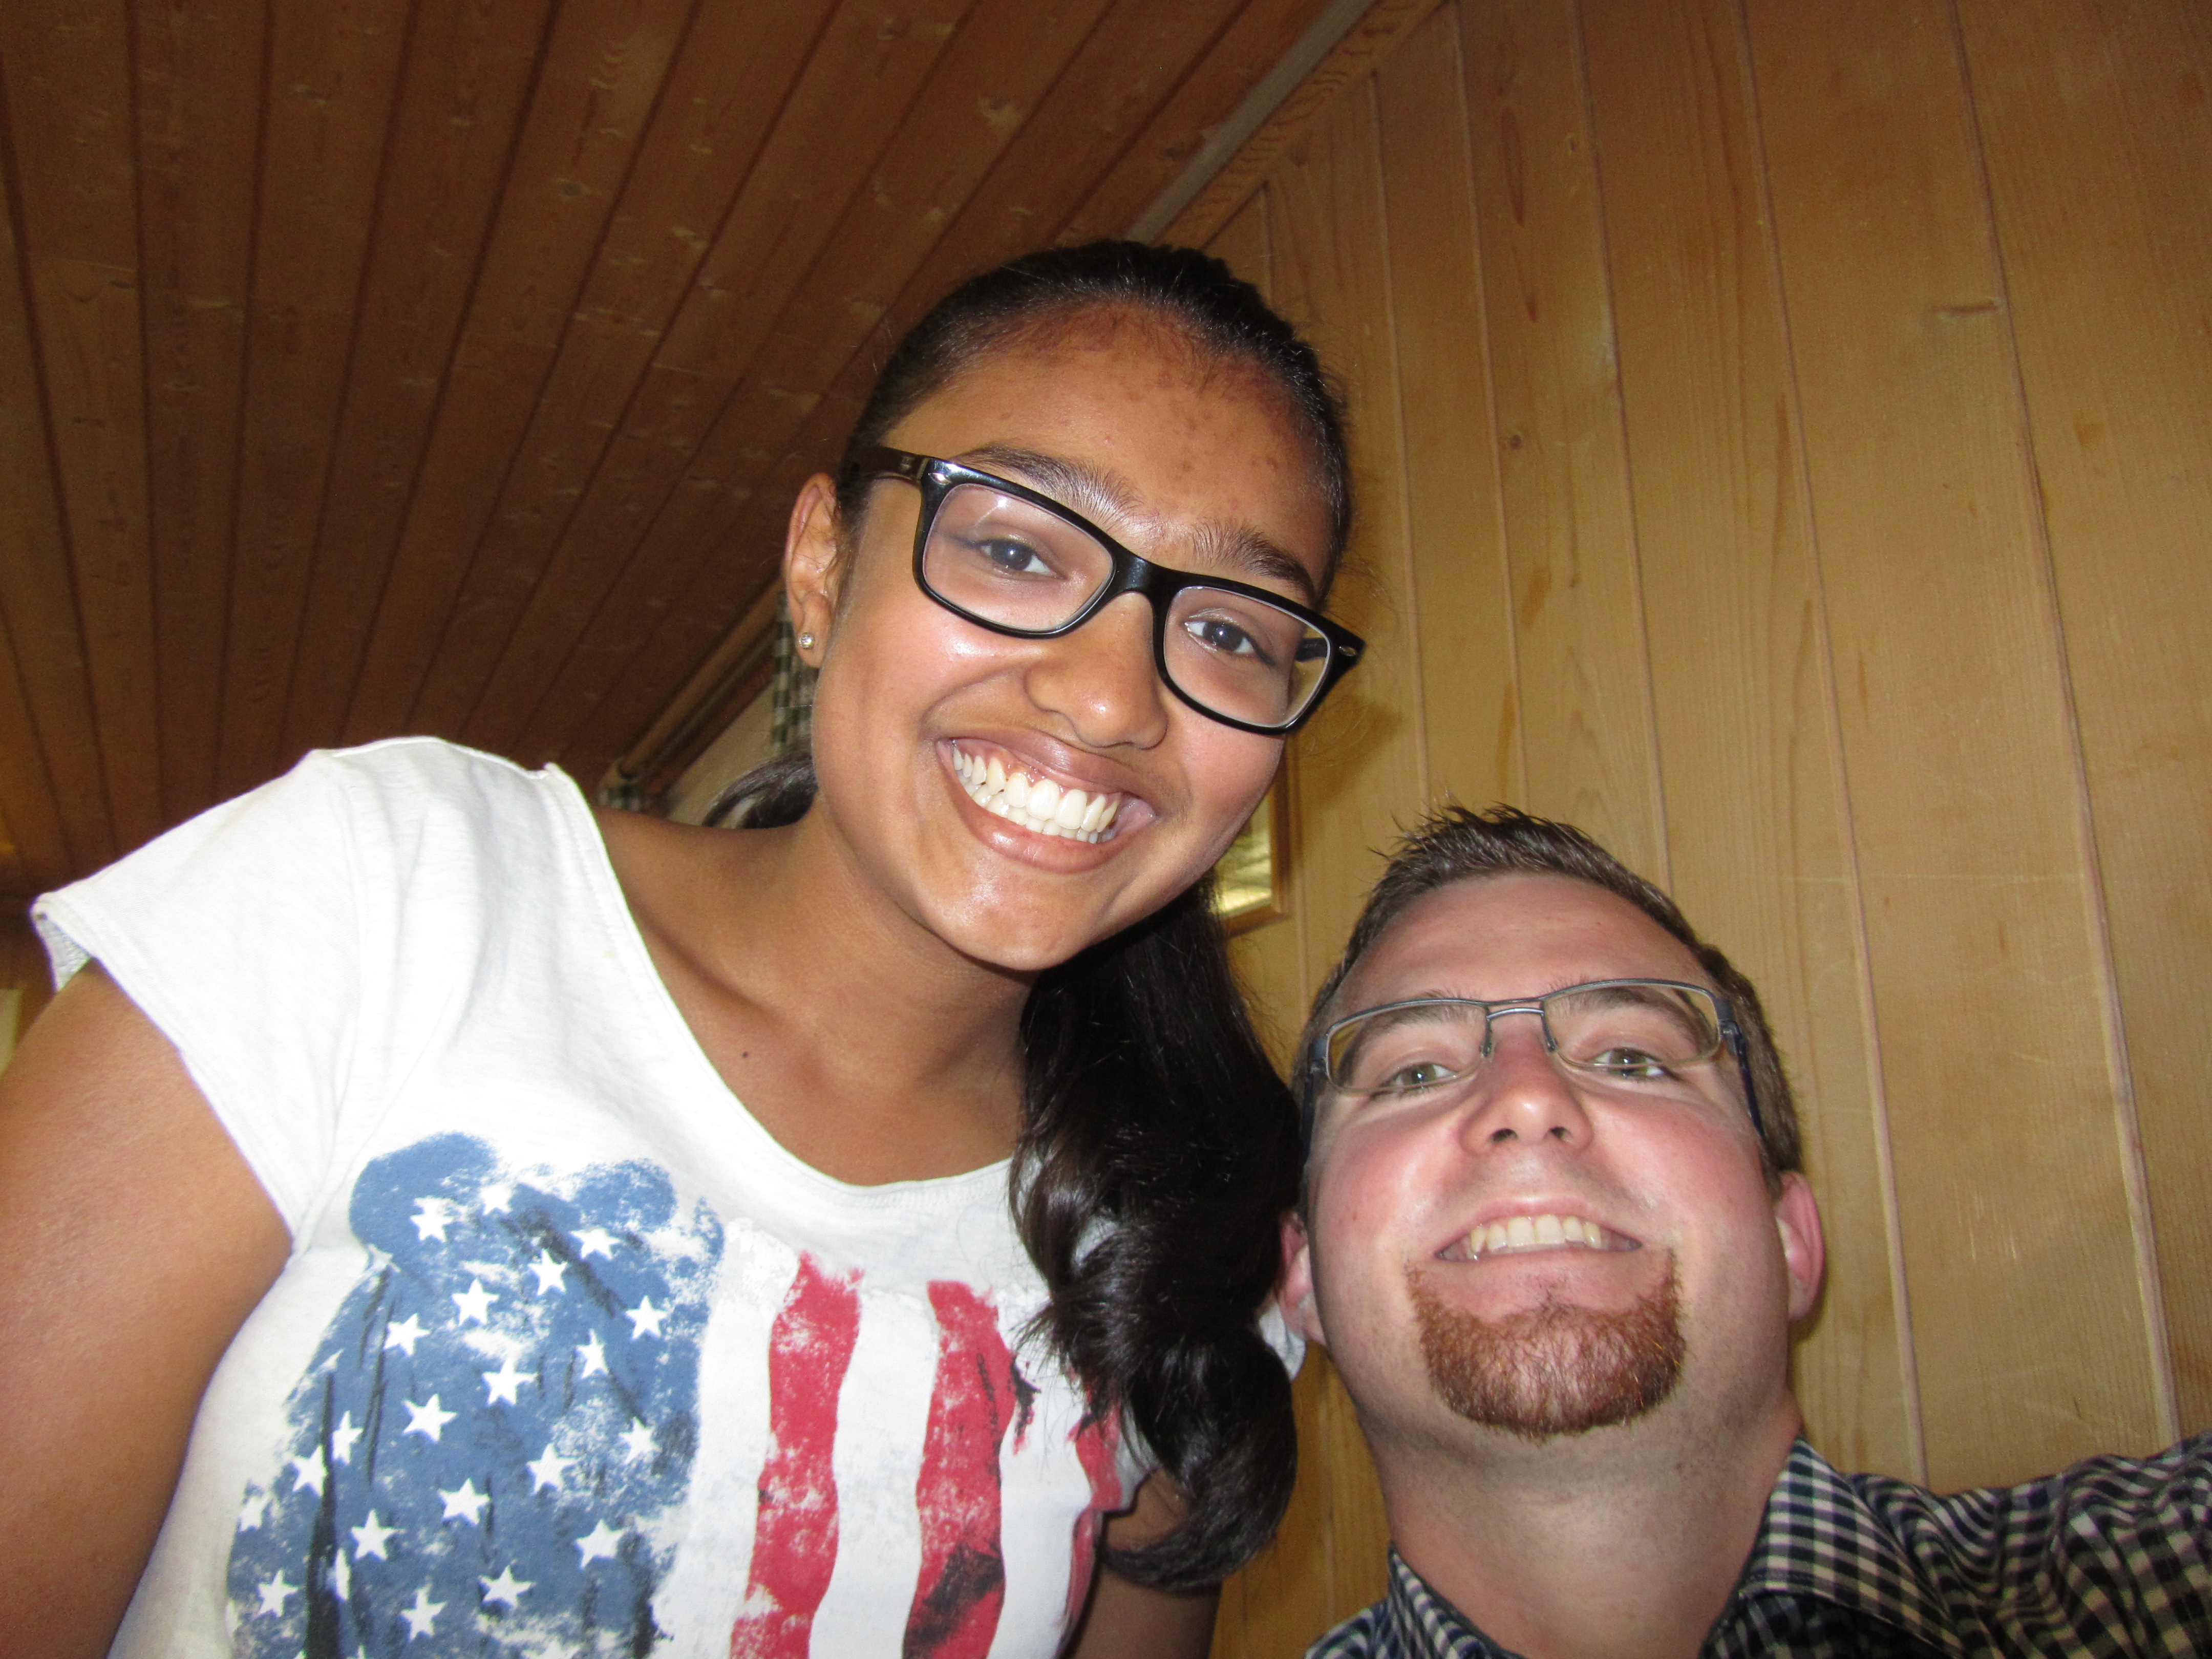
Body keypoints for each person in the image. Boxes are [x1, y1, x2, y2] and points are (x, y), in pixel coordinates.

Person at [0, 241, 1368, 1659]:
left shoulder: (1196, 1238)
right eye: (1017, 549)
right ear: (822, 568)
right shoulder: (383, 888)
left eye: (1232, 631)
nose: (1109, 700)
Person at [1280, 805, 2211, 1659]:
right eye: (1411, 1074)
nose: (1527, 1099)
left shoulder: (2161, 1574)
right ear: (1303, 1276)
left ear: (1792, 1240)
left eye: (1632, 1058)